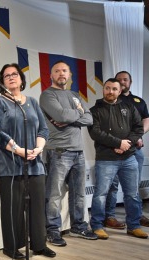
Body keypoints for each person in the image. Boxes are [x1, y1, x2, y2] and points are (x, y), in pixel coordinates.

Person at [0, 63, 56, 259]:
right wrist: (18, 150)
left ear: (21, 78)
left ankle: (39, 245)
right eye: (6, 75)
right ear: (2, 82)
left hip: (34, 162)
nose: (11, 77)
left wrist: (38, 148)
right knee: (13, 208)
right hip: (9, 163)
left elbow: (43, 129)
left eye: (14, 74)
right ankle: (12, 247)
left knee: (37, 206)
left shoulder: (32, 102)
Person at [39, 60, 97, 247]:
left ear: (70, 74)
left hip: (78, 151)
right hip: (59, 152)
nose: (61, 74)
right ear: (51, 75)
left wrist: (71, 116)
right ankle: (53, 230)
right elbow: (61, 116)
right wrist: (76, 114)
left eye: (64, 70)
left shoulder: (74, 95)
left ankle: (78, 226)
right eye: (57, 71)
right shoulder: (47, 95)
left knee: (79, 193)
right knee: (54, 194)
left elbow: (89, 118)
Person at [88, 78, 147, 239]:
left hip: (129, 158)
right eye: (107, 88)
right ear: (103, 90)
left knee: (132, 194)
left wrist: (127, 144)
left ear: (119, 91)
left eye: (114, 89)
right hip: (106, 159)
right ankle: (97, 226)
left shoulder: (129, 107)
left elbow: (138, 128)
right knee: (101, 194)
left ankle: (134, 225)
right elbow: (95, 133)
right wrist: (118, 143)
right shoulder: (95, 110)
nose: (110, 91)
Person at [104, 71, 149, 230]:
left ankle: (136, 215)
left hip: (135, 149)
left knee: (133, 186)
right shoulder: (110, 101)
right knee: (113, 184)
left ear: (130, 81)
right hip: (115, 149)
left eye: (125, 79)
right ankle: (109, 216)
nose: (122, 82)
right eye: (119, 80)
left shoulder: (139, 101)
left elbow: (146, 121)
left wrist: (137, 136)